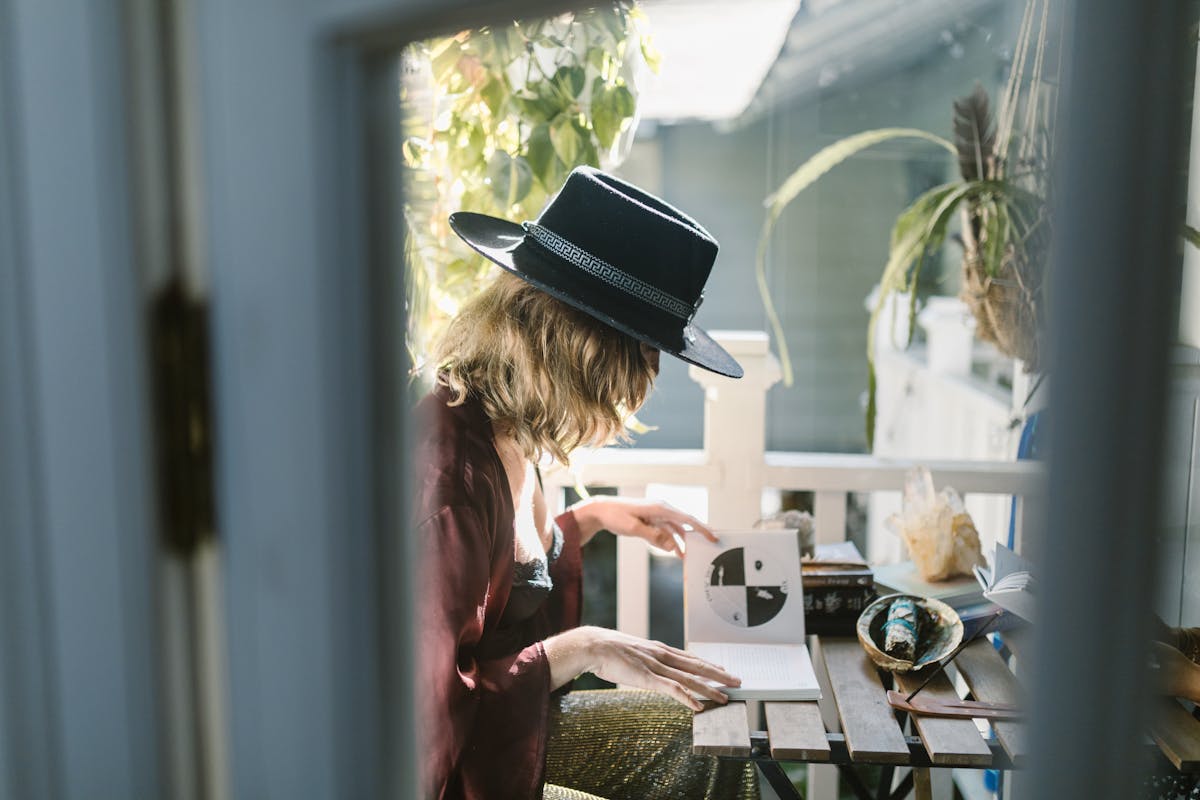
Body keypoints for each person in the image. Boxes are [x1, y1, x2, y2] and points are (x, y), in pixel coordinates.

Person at [413, 167, 759, 800]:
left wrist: (593, 517)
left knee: (705, 736)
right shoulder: (449, 483)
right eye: (639, 360)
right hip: (457, 769)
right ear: (576, 350)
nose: (642, 386)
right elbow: (426, 715)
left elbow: (500, 581)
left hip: (496, 732)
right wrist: (580, 649)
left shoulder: (506, 424)